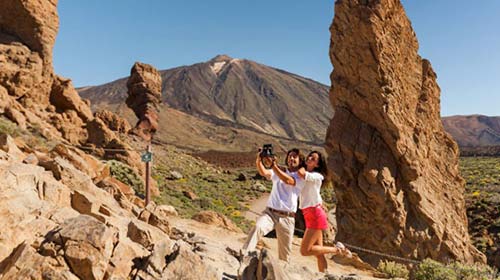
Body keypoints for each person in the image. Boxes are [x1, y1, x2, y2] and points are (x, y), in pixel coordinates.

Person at [286, 151, 352, 272]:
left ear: (317, 164)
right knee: (319, 253)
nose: (309, 158)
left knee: (305, 251)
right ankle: (324, 275)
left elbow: (301, 173)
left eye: (313, 158)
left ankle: (338, 250)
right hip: (310, 214)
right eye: (310, 156)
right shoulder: (308, 174)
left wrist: (299, 164)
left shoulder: (317, 176)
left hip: (315, 215)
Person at [241, 148, 305, 262]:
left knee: (285, 254)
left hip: (287, 217)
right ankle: (244, 256)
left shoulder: (301, 177)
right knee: (258, 227)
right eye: (290, 156)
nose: (291, 158)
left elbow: (288, 181)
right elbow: (264, 172)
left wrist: (273, 166)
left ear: (300, 160)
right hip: (270, 213)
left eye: (295, 156)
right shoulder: (279, 171)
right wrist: (259, 160)